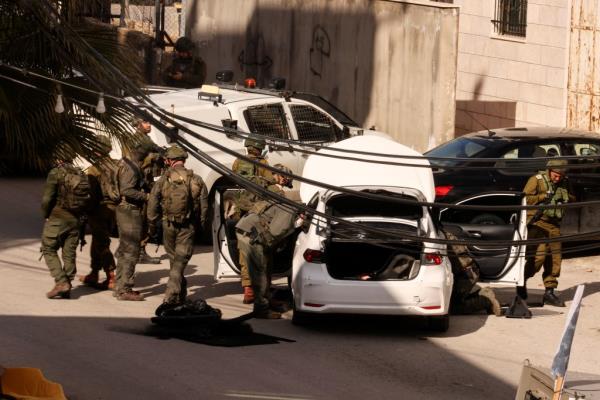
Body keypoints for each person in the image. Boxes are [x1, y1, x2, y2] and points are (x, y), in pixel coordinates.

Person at [235, 165, 300, 319]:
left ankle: (266, 299)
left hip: (246, 228)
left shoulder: (269, 191)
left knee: (266, 266)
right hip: (252, 235)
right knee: (261, 271)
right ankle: (261, 309)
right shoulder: (289, 208)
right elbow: (275, 232)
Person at [147, 145, 208, 305]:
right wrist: (200, 225)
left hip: (168, 223)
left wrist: (152, 224)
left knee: (175, 259)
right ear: (183, 159)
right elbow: (204, 207)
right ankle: (171, 293)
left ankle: (179, 294)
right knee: (180, 261)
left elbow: (153, 202)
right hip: (188, 226)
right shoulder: (196, 179)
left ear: (169, 161)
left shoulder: (163, 179)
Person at [520, 159, 574, 307]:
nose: (558, 178)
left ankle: (549, 291)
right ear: (549, 171)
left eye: (560, 176)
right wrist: (542, 197)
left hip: (554, 225)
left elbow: (573, 197)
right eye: (556, 175)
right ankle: (521, 282)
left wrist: (565, 199)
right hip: (538, 224)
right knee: (538, 258)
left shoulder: (564, 182)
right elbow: (525, 198)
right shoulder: (536, 180)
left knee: (555, 259)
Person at [231, 136, 275, 304]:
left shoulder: (238, 161)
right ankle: (262, 289)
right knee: (262, 249)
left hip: (241, 211)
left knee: (243, 249)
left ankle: (247, 288)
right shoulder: (263, 164)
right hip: (258, 213)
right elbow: (270, 185)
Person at [41, 155, 91, 299]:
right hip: (76, 219)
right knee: (69, 253)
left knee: (48, 248)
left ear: (58, 157)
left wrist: (45, 214)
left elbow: (47, 198)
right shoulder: (80, 173)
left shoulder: (56, 173)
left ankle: (62, 282)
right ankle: (67, 285)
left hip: (58, 218)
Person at [79, 136, 118, 290]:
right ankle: (94, 273)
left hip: (99, 209)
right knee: (97, 240)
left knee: (102, 243)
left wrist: (84, 210)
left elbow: (92, 194)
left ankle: (111, 276)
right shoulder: (117, 165)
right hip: (114, 210)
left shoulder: (95, 169)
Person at [113, 143, 151, 301]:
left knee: (125, 248)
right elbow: (127, 190)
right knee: (131, 250)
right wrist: (147, 197)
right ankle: (124, 289)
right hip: (129, 210)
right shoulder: (132, 167)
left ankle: (120, 285)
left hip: (125, 209)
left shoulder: (126, 163)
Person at [126, 116, 163, 264]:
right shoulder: (141, 140)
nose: (149, 124)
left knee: (144, 219)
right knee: (146, 219)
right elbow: (158, 151)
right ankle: (139, 251)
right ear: (137, 124)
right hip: (140, 186)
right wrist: (156, 156)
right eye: (145, 122)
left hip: (144, 184)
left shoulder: (143, 139)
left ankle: (136, 250)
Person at [444, 230, 502, 316]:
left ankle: (486, 299)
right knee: (450, 301)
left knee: (450, 307)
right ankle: (483, 294)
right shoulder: (442, 232)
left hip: (465, 274)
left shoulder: (437, 235)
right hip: (466, 271)